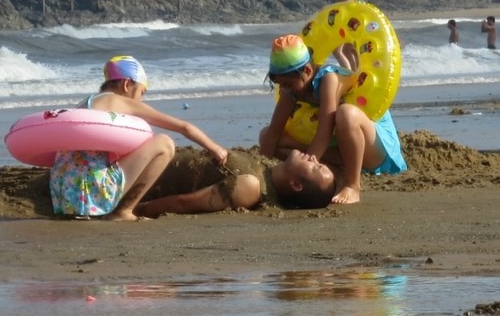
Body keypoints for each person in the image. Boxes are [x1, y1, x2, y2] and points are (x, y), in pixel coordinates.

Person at [49, 55, 228, 221]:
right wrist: (215, 148)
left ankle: (108, 207)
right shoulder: (119, 101)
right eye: (142, 92)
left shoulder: (86, 103)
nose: (141, 100)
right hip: (93, 193)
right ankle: (123, 211)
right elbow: (183, 127)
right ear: (127, 84)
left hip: (65, 195)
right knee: (164, 143)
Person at [258, 34, 407, 204]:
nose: (284, 89)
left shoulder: (329, 79)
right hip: (342, 151)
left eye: (288, 84)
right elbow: (274, 132)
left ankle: (353, 185)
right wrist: (261, 168)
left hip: (374, 147)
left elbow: (324, 134)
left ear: (307, 71)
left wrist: (306, 167)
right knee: (265, 136)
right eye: (280, 85)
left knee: (346, 114)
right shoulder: (290, 89)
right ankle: (339, 171)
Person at [134, 147, 336, 218]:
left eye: (316, 167)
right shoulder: (266, 167)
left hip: (135, 180)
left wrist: (133, 209)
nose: (313, 158)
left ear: (296, 185)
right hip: (146, 161)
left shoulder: (251, 186)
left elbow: (184, 202)